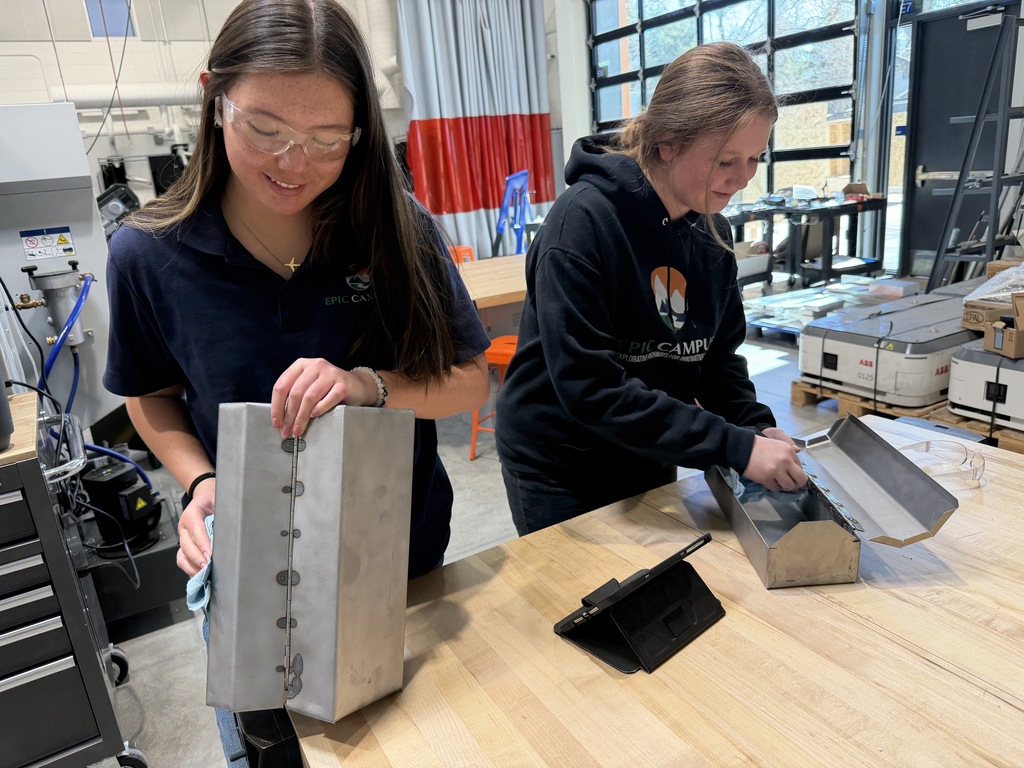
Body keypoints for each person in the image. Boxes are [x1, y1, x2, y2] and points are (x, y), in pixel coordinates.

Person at [102, 0, 490, 763]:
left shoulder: (395, 226)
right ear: (216, 97)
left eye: (326, 140)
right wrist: (199, 478)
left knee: (404, 740)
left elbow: (469, 381)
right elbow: (149, 398)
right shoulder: (148, 253)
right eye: (266, 131)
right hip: (250, 562)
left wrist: (368, 386)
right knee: (269, 745)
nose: (292, 165)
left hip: (397, 547)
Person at [495, 42, 807, 536]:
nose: (743, 179)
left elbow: (716, 362)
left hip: (646, 441)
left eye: (754, 158)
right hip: (562, 460)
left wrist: (754, 426)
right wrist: (736, 447)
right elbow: (591, 389)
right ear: (666, 142)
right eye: (727, 160)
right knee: (584, 601)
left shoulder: (712, 233)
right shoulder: (582, 225)